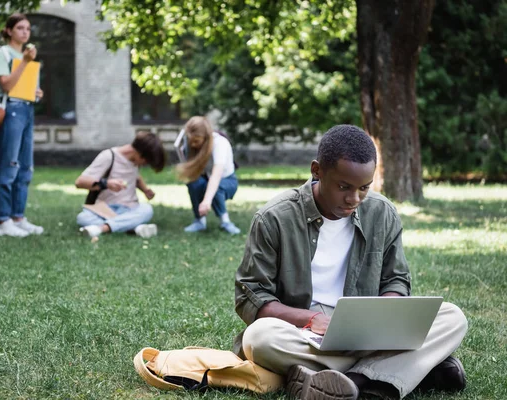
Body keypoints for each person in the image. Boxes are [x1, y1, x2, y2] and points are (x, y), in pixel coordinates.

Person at [234, 125, 468, 400]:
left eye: (364, 188)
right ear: (317, 171)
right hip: (303, 329)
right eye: (343, 187)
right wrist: (313, 319)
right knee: (258, 338)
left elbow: (396, 280)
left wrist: (386, 311)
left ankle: (354, 383)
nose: (353, 199)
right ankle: (408, 368)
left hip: (367, 324)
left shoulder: (382, 213)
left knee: (452, 317)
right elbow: (252, 297)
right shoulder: (274, 218)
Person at [0, 13, 44, 237]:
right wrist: (24, 62)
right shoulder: (1, 53)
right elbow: (7, 86)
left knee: (25, 167)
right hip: (11, 110)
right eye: (20, 28)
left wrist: (37, 93)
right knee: (8, 165)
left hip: (27, 110)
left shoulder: (25, 57)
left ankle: (18, 217)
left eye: (28, 29)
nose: (25, 32)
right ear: (9, 31)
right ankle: (3, 221)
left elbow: (24, 87)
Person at [75, 131, 166, 239]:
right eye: (146, 162)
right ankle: (132, 227)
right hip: (104, 209)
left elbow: (135, 176)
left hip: (129, 208)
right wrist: (106, 183)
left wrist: (145, 190)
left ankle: (101, 228)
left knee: (147, 210)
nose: (144, 165)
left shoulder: (135, 162)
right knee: (83, 217)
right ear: (140, 154)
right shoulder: (109, 156)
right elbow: (80, 182)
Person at [176, 116, 240, 235]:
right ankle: (199, 221)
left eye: (196, 141)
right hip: (206, 179)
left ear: (206, 137)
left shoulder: (220, 144)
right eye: (190, 141)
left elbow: (216, 176)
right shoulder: (189, 145)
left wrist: (206, 201)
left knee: (214, 188)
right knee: (193, 183)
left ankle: (225, 221)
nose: (193, 145)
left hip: (226, 181)